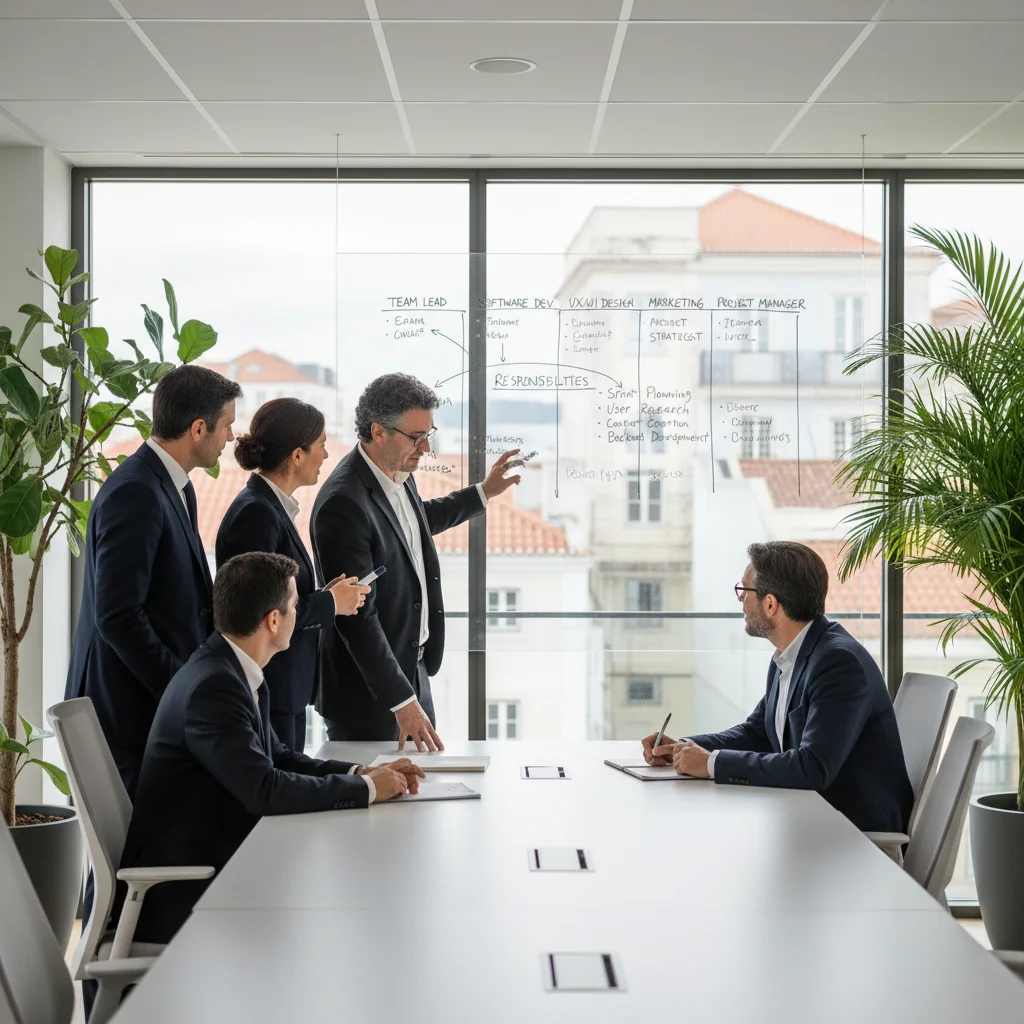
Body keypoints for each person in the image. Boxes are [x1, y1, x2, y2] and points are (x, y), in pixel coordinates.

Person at [116, 551, 425, 944]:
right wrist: (366, 790)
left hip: (223, 857)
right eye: (296, 605)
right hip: (188, 886)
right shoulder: (215, 686)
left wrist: (361, 774)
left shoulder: (230, 668)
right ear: (273, 620)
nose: (301, 613)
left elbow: (277, 757)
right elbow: (264, 789)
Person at [642, 541, 913, 834]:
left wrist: (711, 764)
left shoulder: (838, 663)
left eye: (743, 591)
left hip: (854, 834)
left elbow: (813, 767)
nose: (740, 601)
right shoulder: (790, 654)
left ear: (770, 604)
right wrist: (683, 747)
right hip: (809, 818)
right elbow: (757, 732)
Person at [311, 373, 521, 749]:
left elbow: (416, 522)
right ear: (378, 431)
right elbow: (358, 617)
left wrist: (483, 492)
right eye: (416, 437)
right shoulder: (342, 504)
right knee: (380, 805)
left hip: (413, 673)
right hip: (371, 697)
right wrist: (402, 702)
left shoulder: (398, 470)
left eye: (429, 434)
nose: (426, 448)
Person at [66, 364, 242, 799]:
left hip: (147, 708)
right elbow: (118, 615)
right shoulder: (137, 491)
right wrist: (181, 690)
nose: (231, 438)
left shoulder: (173, 485)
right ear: (198, 428)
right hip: (128, 711)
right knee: (132, 855)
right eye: (227, 426)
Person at [216, 398, 370, 752]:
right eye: (322, 446)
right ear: (296, 455)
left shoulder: (269, 507)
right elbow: (258, 613)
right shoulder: (257, 514)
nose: (327, 457)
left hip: (285, 687)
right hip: (271, 687)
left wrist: (323, 597)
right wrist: (330, 603)